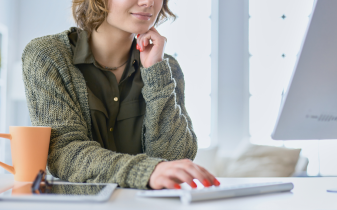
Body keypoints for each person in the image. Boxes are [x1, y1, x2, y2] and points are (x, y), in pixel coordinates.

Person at [22, 0, 220, 190]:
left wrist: (156, 73)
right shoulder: (47, 56)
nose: (148, 2)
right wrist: (146, 171)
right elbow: (63, 152)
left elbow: (175, 160)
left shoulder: (165, 67)